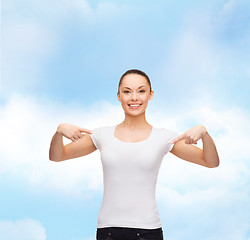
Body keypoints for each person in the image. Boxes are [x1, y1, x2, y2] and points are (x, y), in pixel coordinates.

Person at [49, 69, 220, 240]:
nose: (134, 98)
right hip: (108, 230)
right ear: (118, 96)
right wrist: (59, 132)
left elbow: (210, 161)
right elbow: (57, 156)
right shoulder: (101, 135)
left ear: (150, 95)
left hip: (148, 231)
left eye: (141, 91)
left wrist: (204, 134)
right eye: (127, 92)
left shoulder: (164, 138)